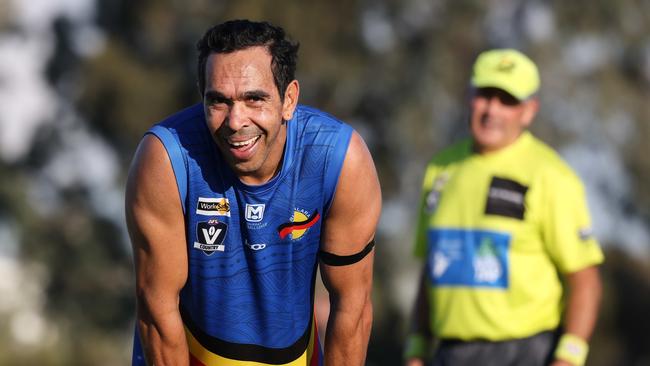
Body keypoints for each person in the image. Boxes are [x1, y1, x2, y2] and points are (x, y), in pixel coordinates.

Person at [125, 19, 381, 366]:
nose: (235, 120)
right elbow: (157, 311)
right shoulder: (165, 159)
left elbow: (352, 310)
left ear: (289, 100)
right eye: (218, 101)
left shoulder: (339, 159)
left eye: (254, 99)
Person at [404, 49, 604, 366]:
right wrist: (416, 349)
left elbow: (585, 279)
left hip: (525, 353)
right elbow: (432, 267)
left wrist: (570, 357)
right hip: (448, 353)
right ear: (470, 97)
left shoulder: (551, 175)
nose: (492, 110)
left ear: (528, 111)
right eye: (485, 95)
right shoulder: (440, 168)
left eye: (507, 100)